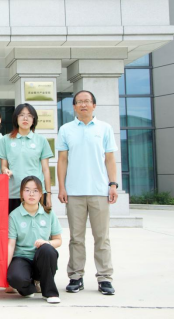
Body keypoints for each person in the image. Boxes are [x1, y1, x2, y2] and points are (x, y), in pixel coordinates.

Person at [57, 90, 119, 296]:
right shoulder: (66, 129)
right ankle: (75, 277)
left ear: (94, 105)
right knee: (76, 238)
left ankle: (105, 278)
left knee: (102, 237)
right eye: (79, 102)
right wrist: (62, 187)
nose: (83, 105)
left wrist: (113, 184)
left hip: (99, 191)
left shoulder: (105, 128)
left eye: (87, 101)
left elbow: (110, 159)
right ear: (74, 106)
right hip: (74, 192)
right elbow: (62, 160)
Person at [7, 176, 63, 304]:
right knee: (14, 278)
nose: (31, 194)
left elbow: (58, 240)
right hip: (22, 258)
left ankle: (50, 292)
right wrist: (5, 269)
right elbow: (11, 245)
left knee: (47, 250)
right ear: (21, 193)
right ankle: (29, 288)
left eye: (35, 190)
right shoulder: (14, 215)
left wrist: (47, 243)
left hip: (42, 258)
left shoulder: (49, 213)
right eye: (27, 190)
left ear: (41, 194)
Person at [0, 104, 53, 215]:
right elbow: (3, 166)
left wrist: (48, 194)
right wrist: (5, 170)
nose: (25, 118)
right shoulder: (5, 140)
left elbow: (46, 169)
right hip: (13, 192)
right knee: (13, 224)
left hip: (36, 192)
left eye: (29, 115)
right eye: (21, 115)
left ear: (34, 120)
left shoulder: (41, 140)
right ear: (16, 118)